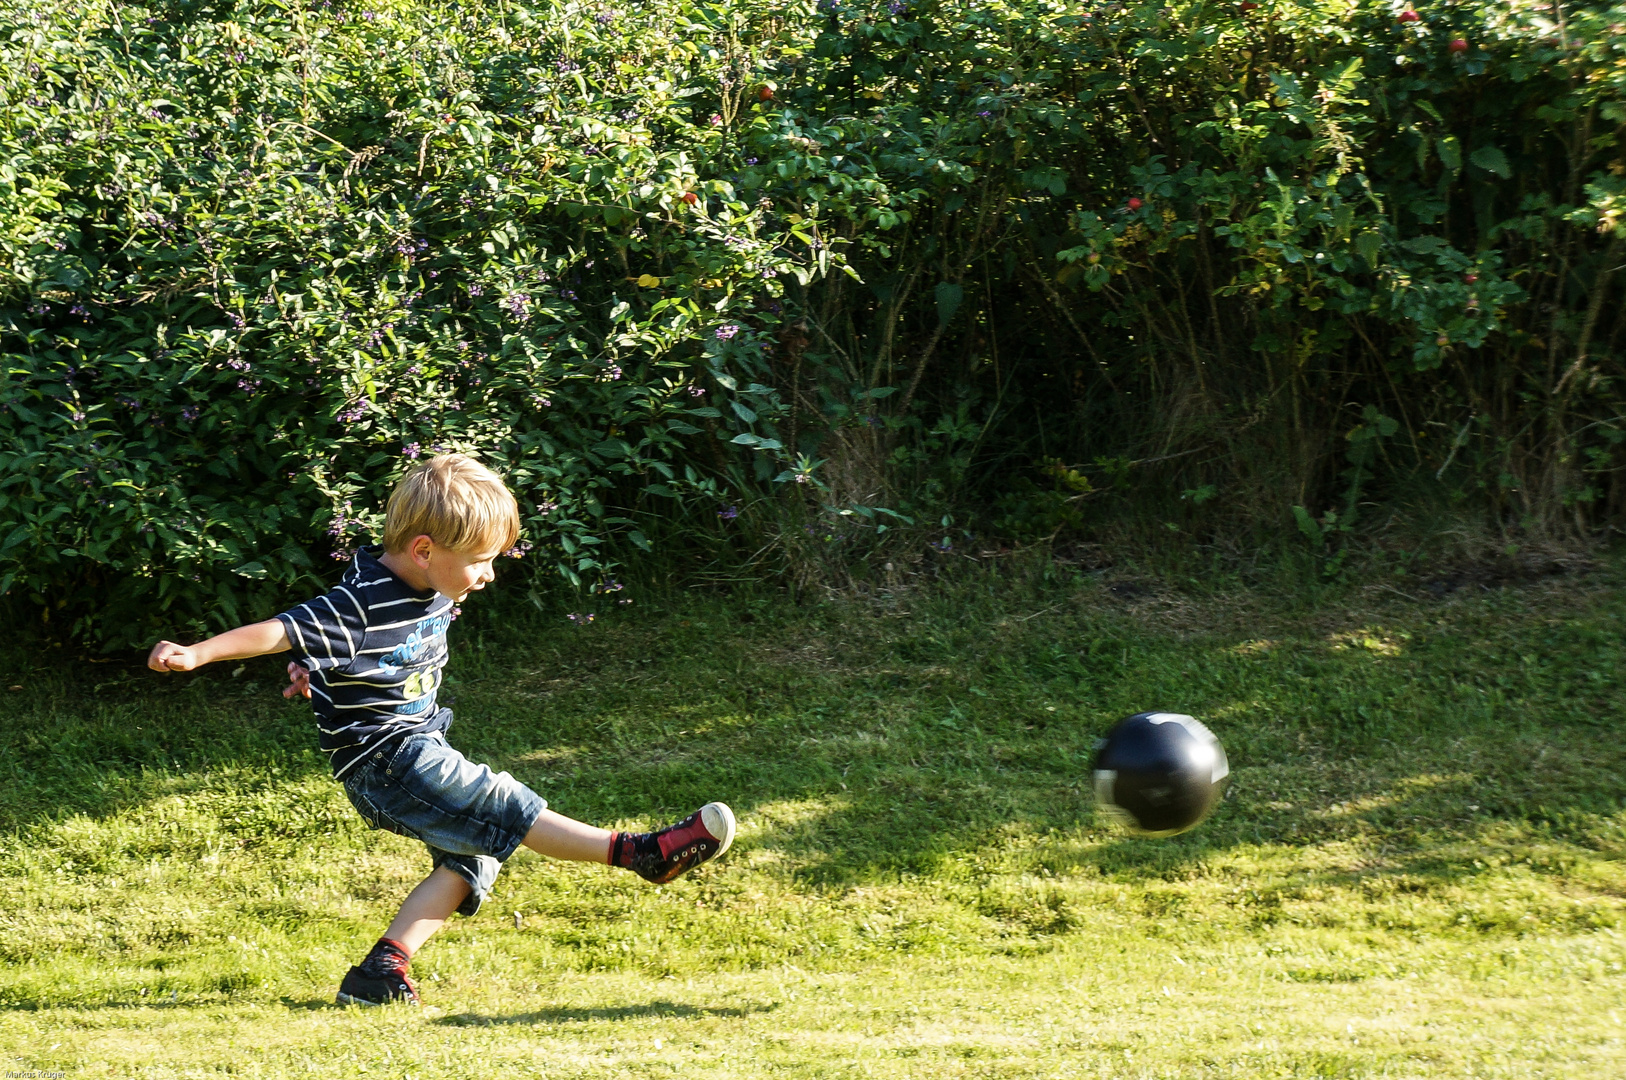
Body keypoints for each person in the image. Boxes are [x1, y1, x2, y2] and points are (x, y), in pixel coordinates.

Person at [147, 453, 735, 1006]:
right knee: (503, 805)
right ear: (424, 549)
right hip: (385, 757)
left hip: (418, 739)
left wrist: (318, 670)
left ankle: (380, 971)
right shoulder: (363, 601)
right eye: (480, 561)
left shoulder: (427, 584)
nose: (489, 576)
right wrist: (198, 654)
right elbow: (280, 630)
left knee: (474, 856)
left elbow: (335, 650)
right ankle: (640, 854)